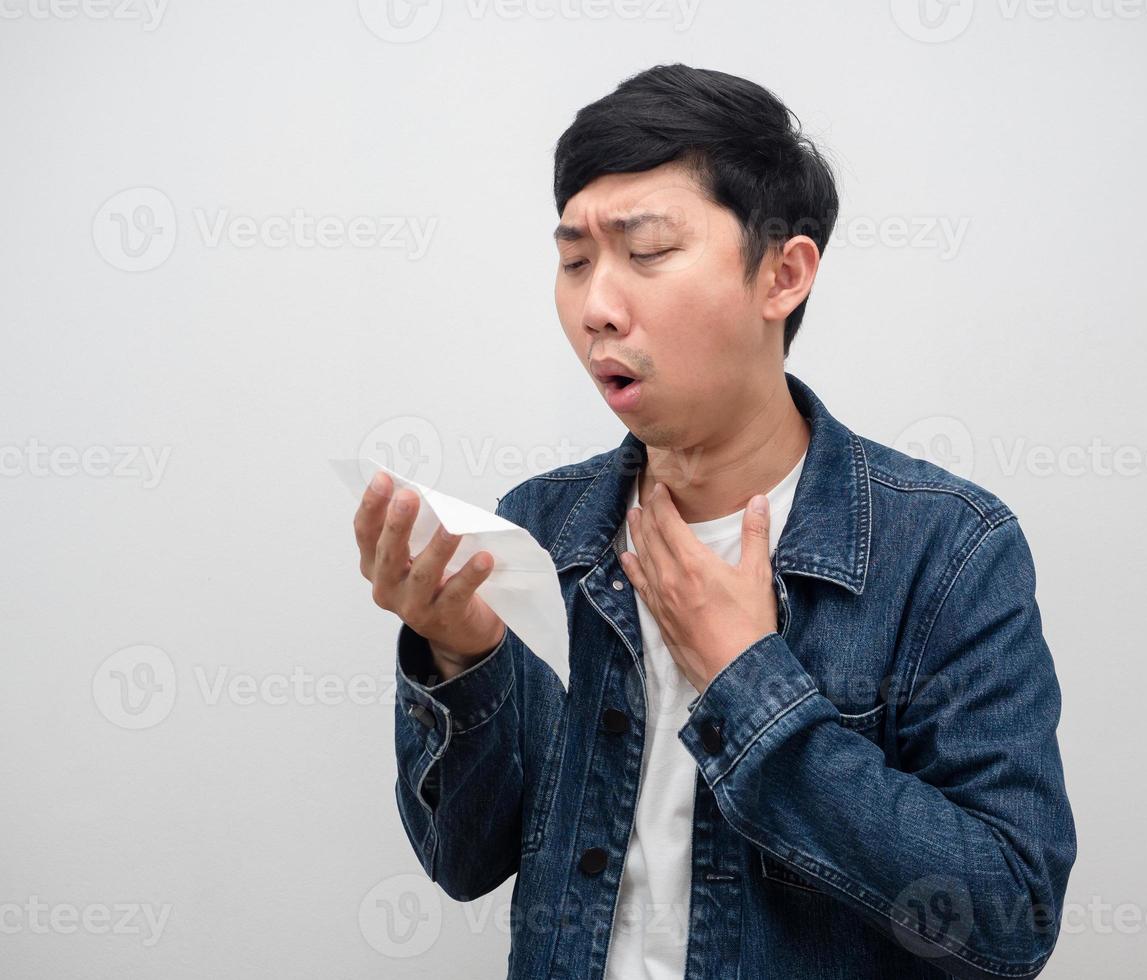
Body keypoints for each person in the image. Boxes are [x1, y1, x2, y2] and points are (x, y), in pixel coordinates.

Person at [354, 63, 1076, 980]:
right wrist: (461, 658)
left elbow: (1009, 917)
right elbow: (463, 861)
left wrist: (748, 682)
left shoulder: (947, 550)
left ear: (783, 273)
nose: (596, 308)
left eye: (646, 251)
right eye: (574, 261)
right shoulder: (539, 527)